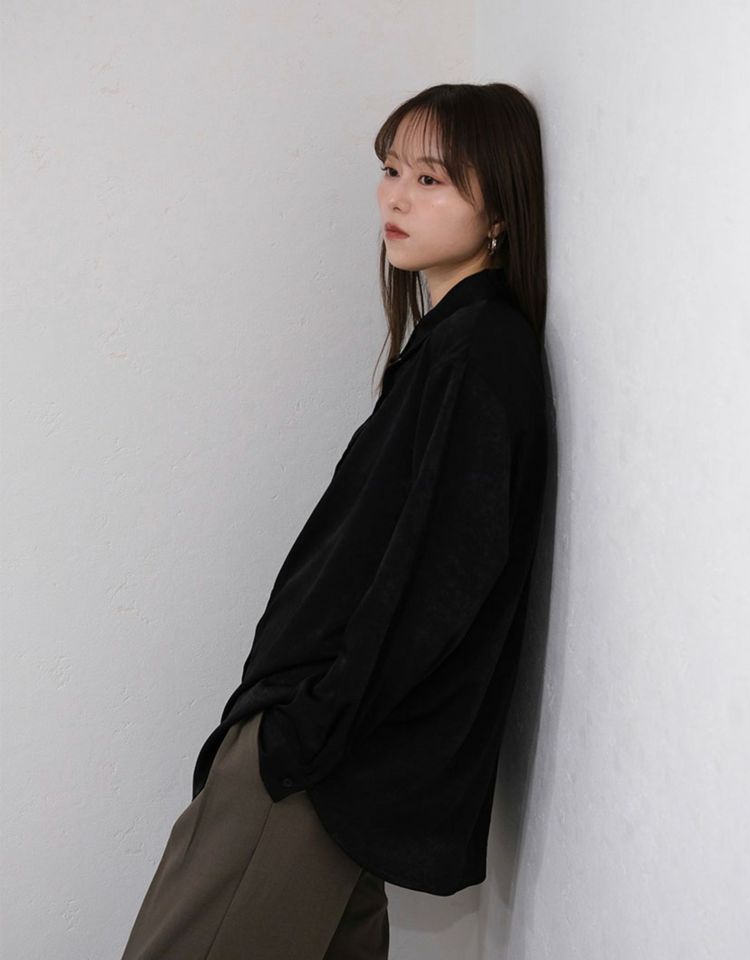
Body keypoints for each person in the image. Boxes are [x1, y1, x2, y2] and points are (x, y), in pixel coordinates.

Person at [120, 80, 549, 960]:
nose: (397, 197)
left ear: (501, 211)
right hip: (327, 754)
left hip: (317, 763)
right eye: (391, 170)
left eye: (431, 179)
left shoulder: (479, 355)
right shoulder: (452, 345)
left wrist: (302, 735)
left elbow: (440, 583)